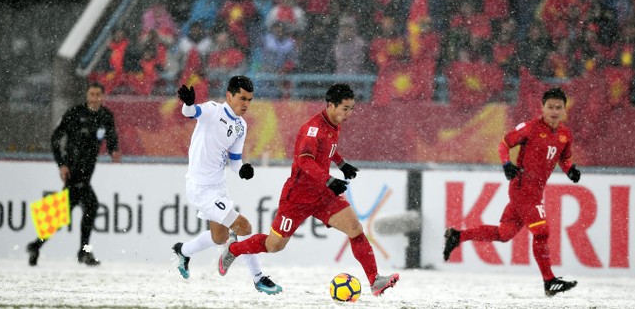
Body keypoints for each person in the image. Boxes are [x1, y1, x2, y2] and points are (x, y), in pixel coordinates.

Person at [216, 83, 400, 296]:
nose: (349, 113)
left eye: (351, 108)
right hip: (298, 197)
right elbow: (304, 161)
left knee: (355, 228)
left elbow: (327, 148)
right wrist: (330, 179)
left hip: (322, 195)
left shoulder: (334, 123)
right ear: (331, 105)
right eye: (345, 108)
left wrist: (341, 164)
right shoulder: (312, 129)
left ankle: (375, 281)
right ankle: (233, 249)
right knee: (274, 245)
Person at [443, 87, 581, 297]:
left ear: (564, 110)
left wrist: (570, 169)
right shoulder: (530, 128)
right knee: (542, 232)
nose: (554, 111)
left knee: (504, 234)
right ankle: (549, 281)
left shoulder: (565, 134)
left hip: (535, 191)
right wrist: (506, 164)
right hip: (523, 189)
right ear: (542, 108)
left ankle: (458, 236)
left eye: (558, 107)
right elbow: (504, 144)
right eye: (550, 107)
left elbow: (564, 157)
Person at [171, 76, 283, 295]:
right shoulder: (213, 110)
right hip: (200, 187)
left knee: (219, 237)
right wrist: (188, 104)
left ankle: (183, 251)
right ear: (229, 96)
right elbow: (190, 113)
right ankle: (259, 279)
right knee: (244, 227)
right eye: (242, 98)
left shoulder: (241, 126)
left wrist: (242, 169)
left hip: (218, 186)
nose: (246, 104)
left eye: (249, 100)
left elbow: (234, 160)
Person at [26, 82, 121, 266]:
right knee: (90, 207)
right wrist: (62, 164)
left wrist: (113, 150)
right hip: (74, 170)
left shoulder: (105, 116)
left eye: (97, 95)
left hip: (87, 172)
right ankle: (83, 252)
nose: (94, 98)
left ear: (102, 97)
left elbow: (111, 137)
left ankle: (36, 245)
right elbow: (56, 138)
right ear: (87, 96)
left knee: (64, 214)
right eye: (91, 94)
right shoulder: (75, 113)